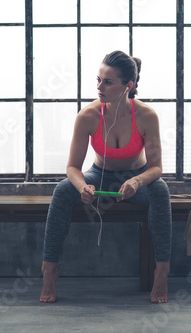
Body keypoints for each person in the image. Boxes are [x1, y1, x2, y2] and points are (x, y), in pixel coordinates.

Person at [39, 50, 172, 304]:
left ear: (127, 86)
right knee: (62, 190)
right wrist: (82, 187)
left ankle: (162, 272)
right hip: (99, 175)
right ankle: (48, 270)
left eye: (108, 82)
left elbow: (156, 168)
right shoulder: (88, 116)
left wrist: (136, 181)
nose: (99, 87)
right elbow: (72, 168)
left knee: (161, 190)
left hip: (137, 178)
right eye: (98, 80)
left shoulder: (146, 116)